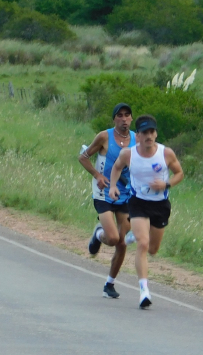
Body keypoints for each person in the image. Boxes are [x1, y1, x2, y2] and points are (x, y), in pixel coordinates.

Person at [109, 114, 184, 309]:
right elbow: (116, 168)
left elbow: (180, 173)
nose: (149, 136)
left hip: (160, 205)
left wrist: (166, 184)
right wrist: (112, 187)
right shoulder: (128, 154)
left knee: (153, 249)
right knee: (143, 244)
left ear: (156, 134)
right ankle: (144, 291)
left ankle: (135, 235)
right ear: (138, 136)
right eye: (144, 133)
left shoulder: (166, 153)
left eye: (152, 132)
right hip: (138, 203)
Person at [78, 103, 135, 299]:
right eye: (120, 116)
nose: (124, 119)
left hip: (124, 194)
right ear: (114, 119)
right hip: (103, 191)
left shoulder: (137, 139)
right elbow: (83, 157)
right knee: (112, 238)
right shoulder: (104, 137)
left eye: (127, 115)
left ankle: (109, 284)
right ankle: (99, 234)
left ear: (131, 119)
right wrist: (97, 175)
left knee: (122, 242)